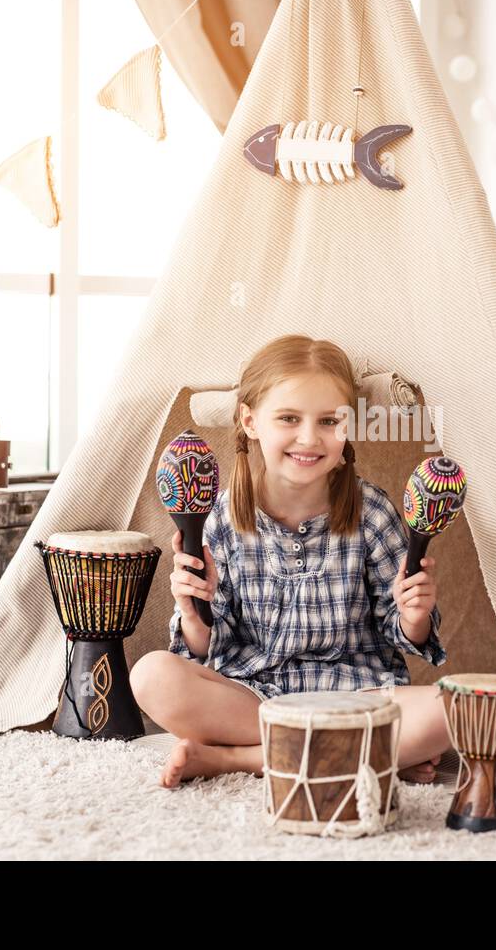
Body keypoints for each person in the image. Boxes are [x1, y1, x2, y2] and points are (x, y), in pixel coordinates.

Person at [131, 334, 452, 789]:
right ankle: (363, 753)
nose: (309, 438)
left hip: (355, 696)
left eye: (328, 420)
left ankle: (236, 759)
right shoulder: (219, 518)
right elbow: (205, 649)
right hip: (254, 697)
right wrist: (191, 610)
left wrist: (414, 614)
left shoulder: (373, 512)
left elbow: (404, 635)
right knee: (151, 676)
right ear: (250, 420)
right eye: (288, 418)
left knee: (452, 710)